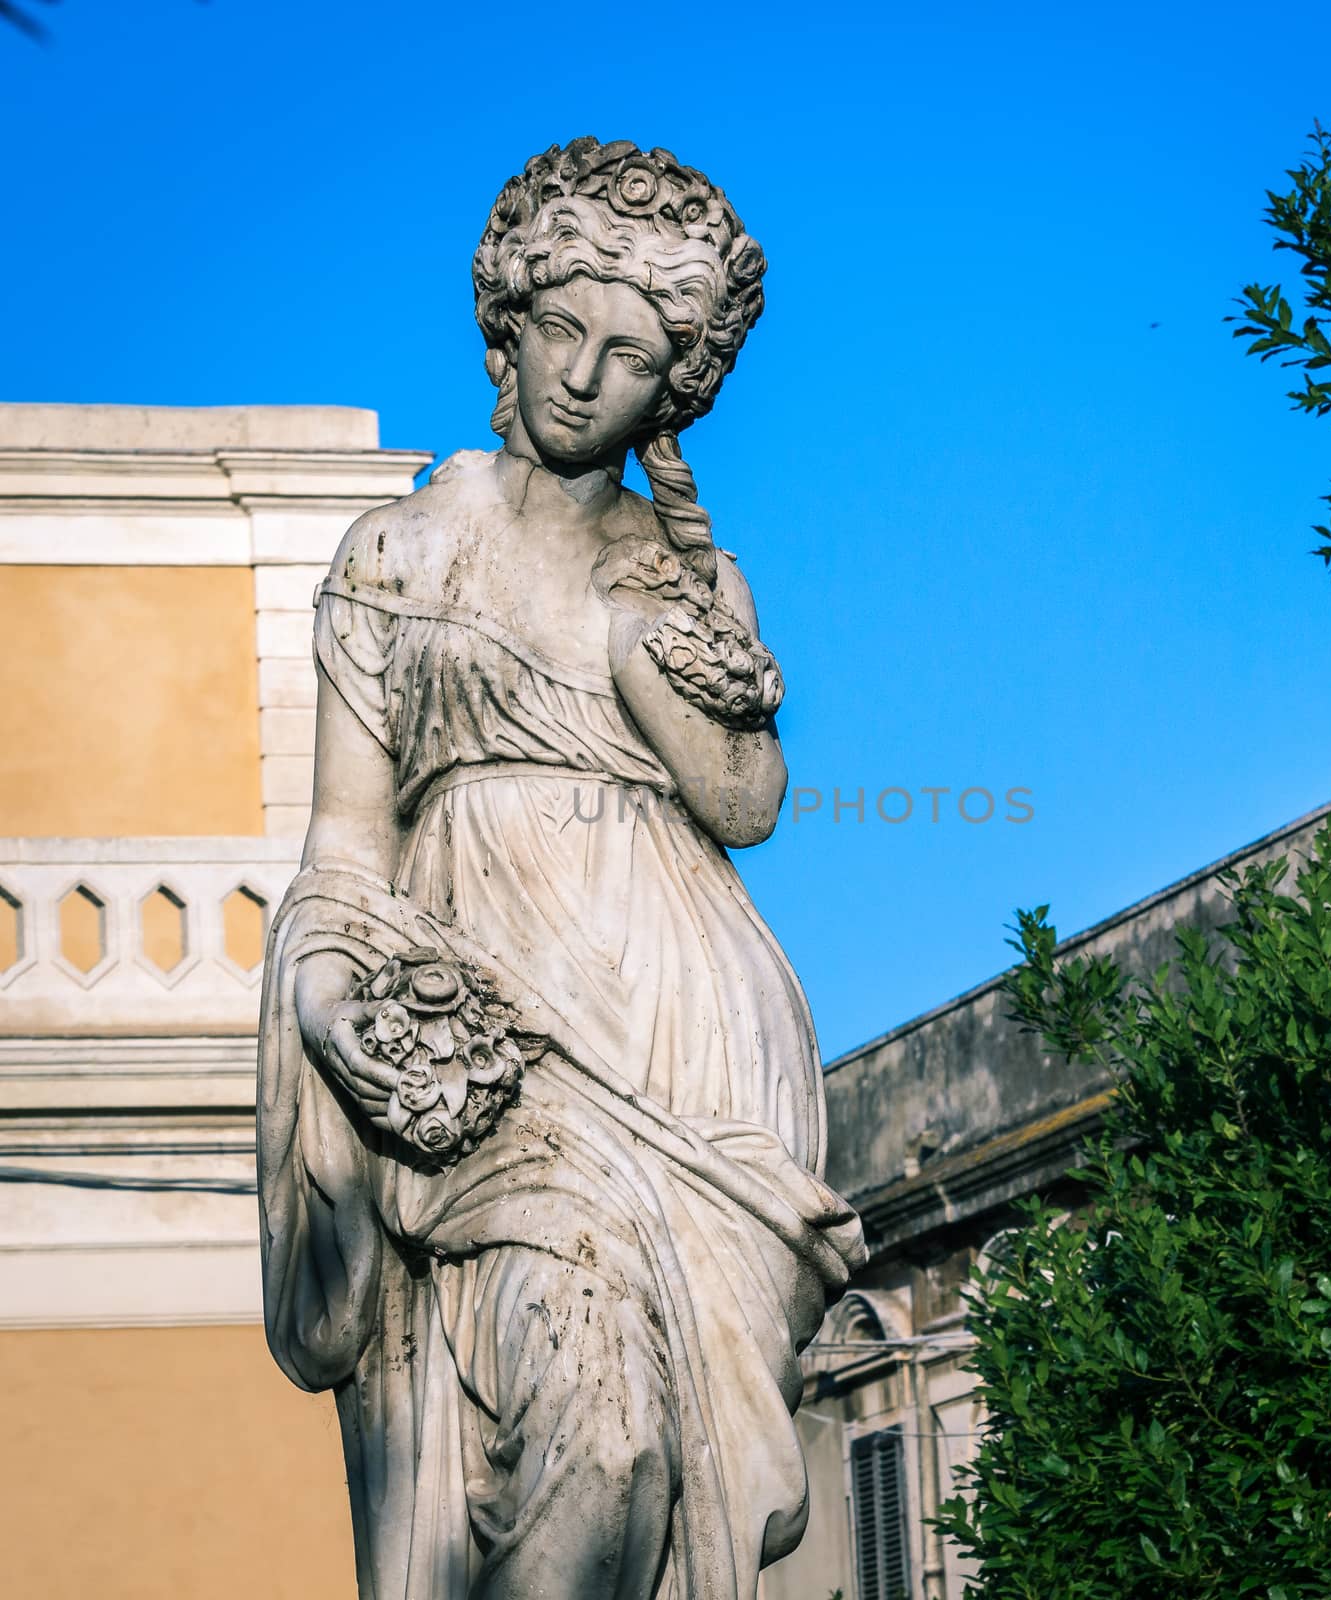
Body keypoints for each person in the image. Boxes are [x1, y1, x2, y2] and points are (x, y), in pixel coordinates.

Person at [256, 137, 864, 1600]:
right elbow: (346, 841)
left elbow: (745, 803)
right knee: (592, 1434)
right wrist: (341, 1010)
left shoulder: (685, 569)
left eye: (637, 357)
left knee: (664, 1472)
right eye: (561, 330)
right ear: (507, 322)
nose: (587, 378)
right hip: (493, 1020)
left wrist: (678, 646)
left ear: (681, 388)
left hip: (696, 1044)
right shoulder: (400, 551)